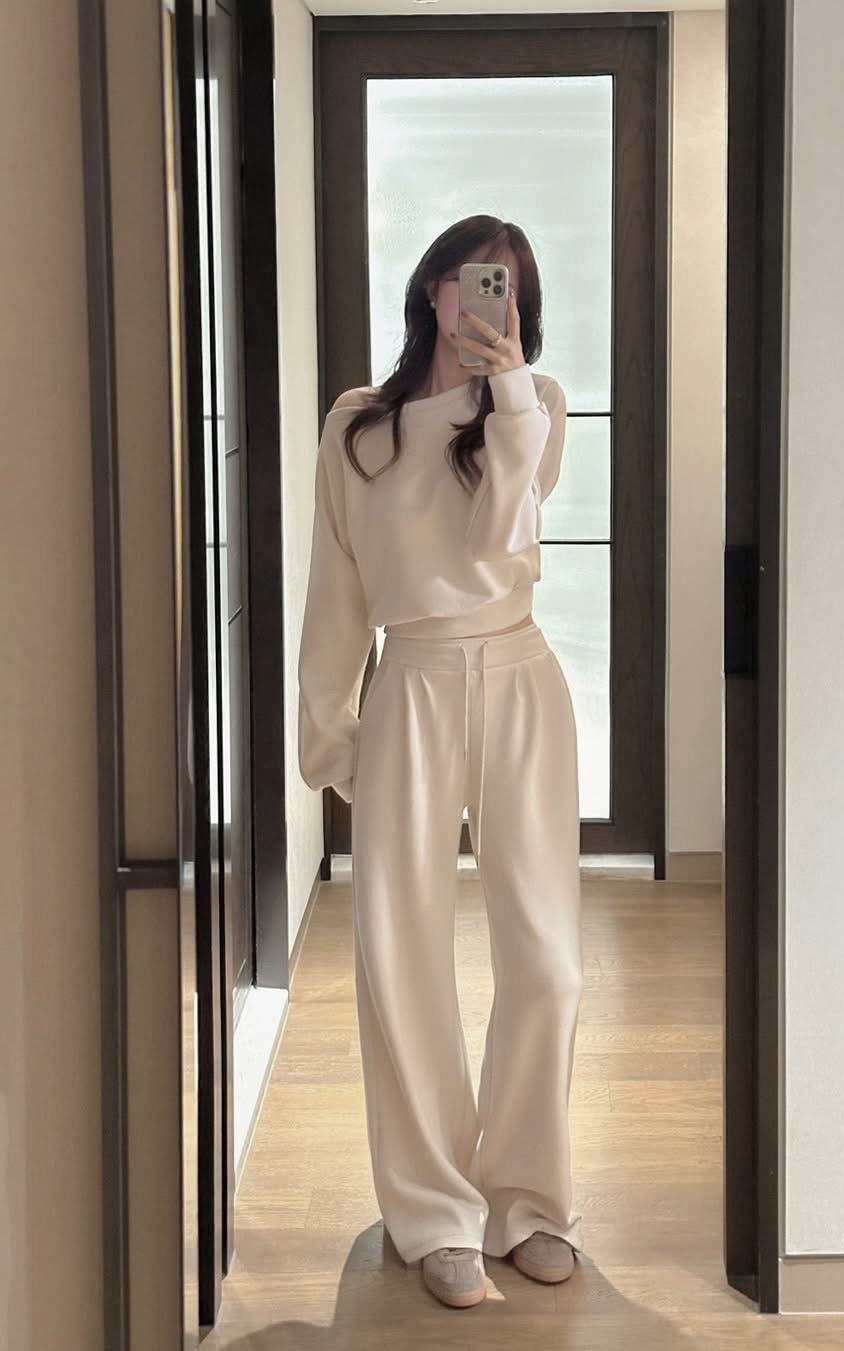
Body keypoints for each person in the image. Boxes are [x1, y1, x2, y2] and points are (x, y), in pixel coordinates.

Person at [297, 215, 584, 1309]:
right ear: (432, 288)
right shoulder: (356, 426)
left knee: (547, 961)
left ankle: (530, 1201)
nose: (485, 302)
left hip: (519, 677)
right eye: (473, 280)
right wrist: (331, 732)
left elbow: (507, 541)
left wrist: (508, 396)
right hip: (409, 684)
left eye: (506, 288)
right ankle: (433, 1213)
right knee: (399, 954)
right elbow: (335, 590)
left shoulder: (535, 405)